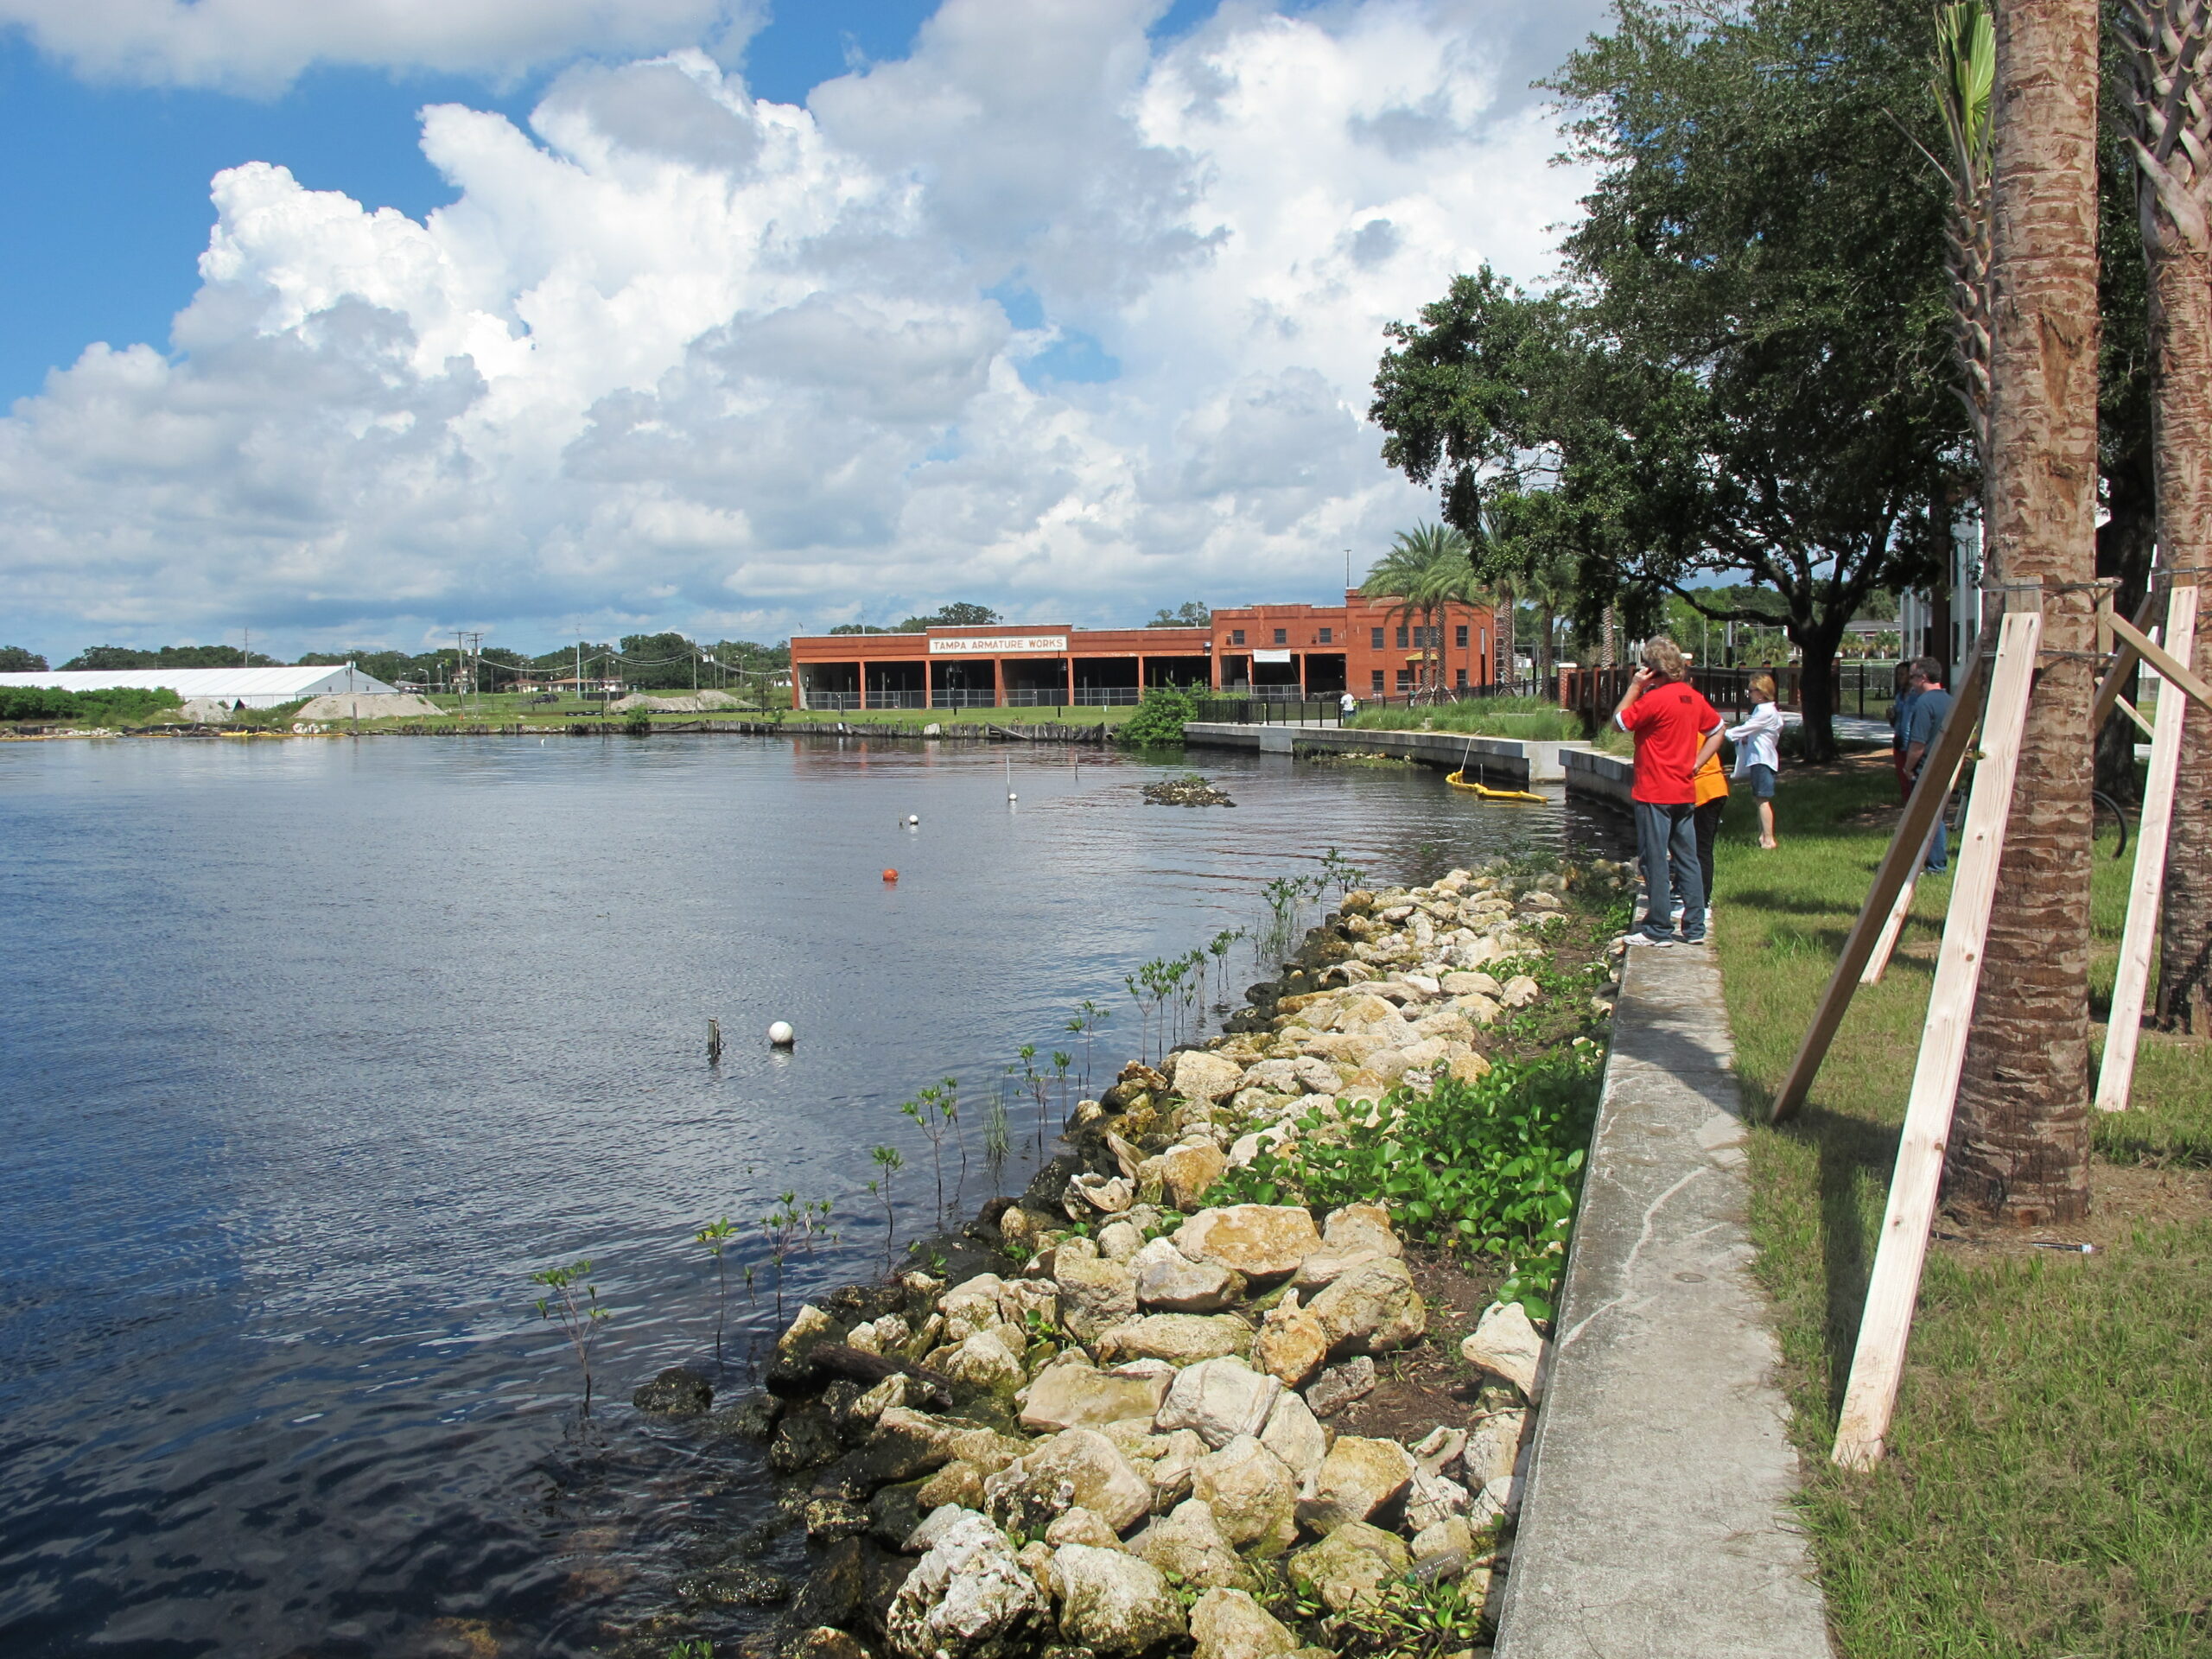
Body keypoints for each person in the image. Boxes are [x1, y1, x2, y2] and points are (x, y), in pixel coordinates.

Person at [1614, 636, 1726, 945]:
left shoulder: (1653, 699)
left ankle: (1659, 928)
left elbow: (1619, 722)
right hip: (1684, 790)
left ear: (1651, 668)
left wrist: (1635, 686)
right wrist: (1696, 763)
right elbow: (1718, 730)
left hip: (1654, 791)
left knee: (1654, 860)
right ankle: (1694, 928)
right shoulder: (1691, 697)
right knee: (1688, 858)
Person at [1903, 656, 1955, 873]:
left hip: (1925, 769)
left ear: (1923, 678)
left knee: (1928, 818)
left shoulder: (1923, 704)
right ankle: (1929, 862)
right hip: (1945, 765)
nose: (1911, 684)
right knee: (1937, 816)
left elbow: (1918, 744)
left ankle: (1935, 865)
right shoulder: (1951, 701)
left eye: (1913, 678)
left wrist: (1907, 768)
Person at [1726, 672, 1783, 849]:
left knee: (1762, 799)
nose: (1749, 694)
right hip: (1760, 758)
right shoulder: (1763, 710)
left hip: (1762, 759)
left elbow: (1746, 728)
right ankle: (1763, 836)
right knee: (1758, 799)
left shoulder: (1766, 712)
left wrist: (1723, 733)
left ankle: (1769, 839)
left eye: (1751, 691)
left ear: (1761, 692)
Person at [1889, 659, 1920, 804]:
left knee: (1913, 778)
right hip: (1899, 741)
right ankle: (1907, 806)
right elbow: (1896, 723)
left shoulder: (1917, 696)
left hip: (1913, 743)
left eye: (1902, 674)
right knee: (1903, 779)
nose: (1899, 678)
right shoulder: (1899, 696)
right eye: (1897, 675)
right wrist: (1892, 717)